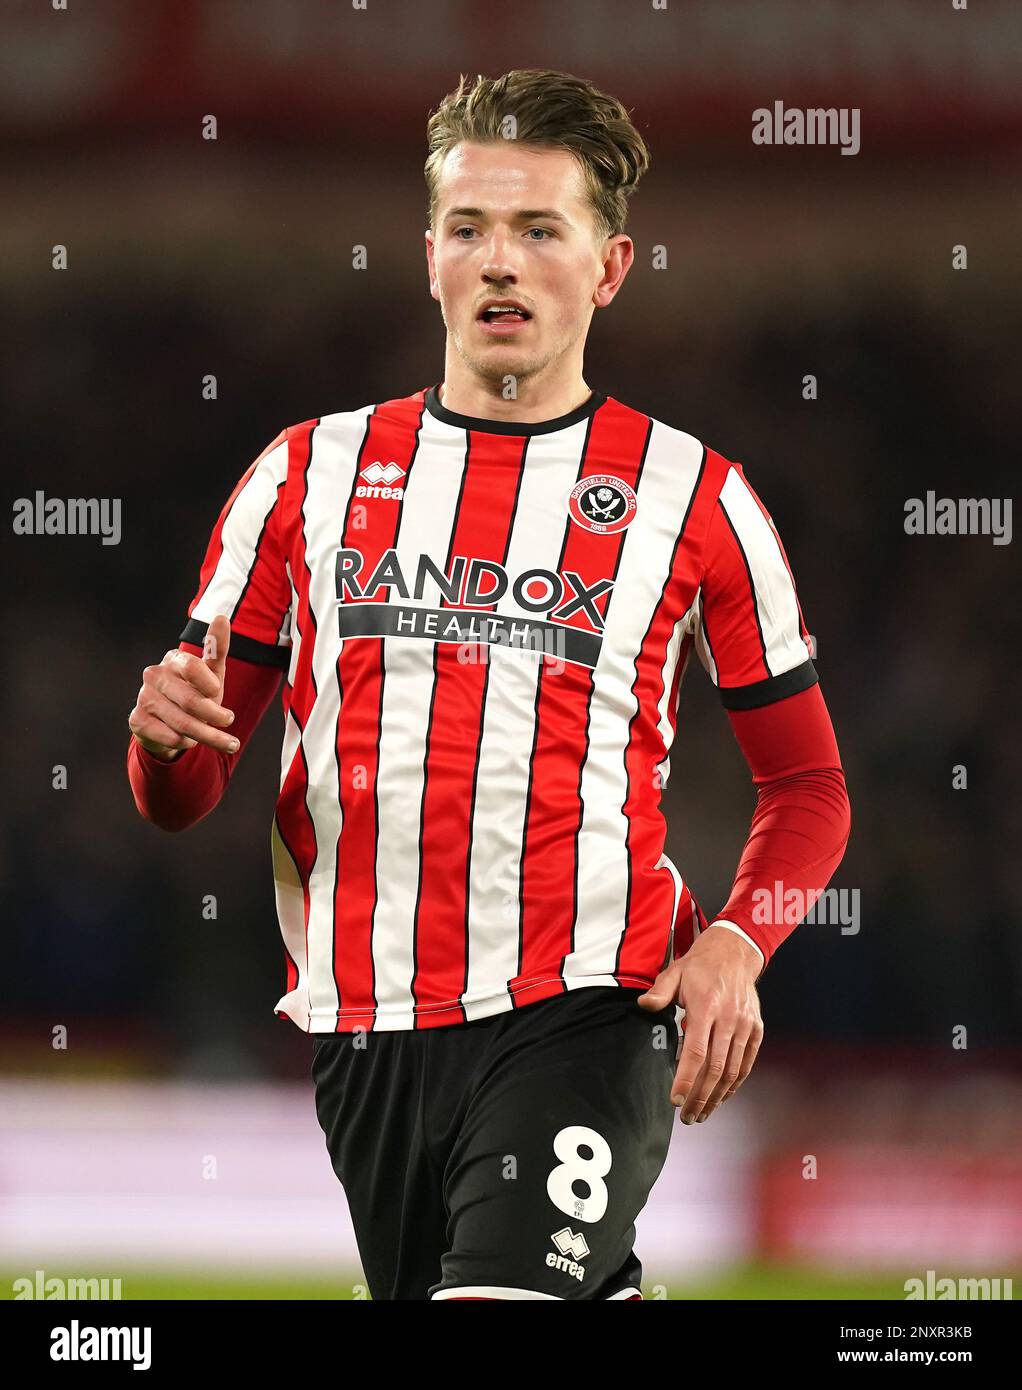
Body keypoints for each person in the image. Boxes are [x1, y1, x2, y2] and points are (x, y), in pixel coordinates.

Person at [127, 68, 850, 1301]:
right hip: (366, 1022)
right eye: (468, 229)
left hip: (591, 1003)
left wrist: (737, 939)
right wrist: (157, 739)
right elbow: (184, 792)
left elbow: (807, 781)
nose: (498, 261)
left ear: (609, 267)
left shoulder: (696, 499)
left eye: (537, 230)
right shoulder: (302, 475)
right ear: (427, 257)